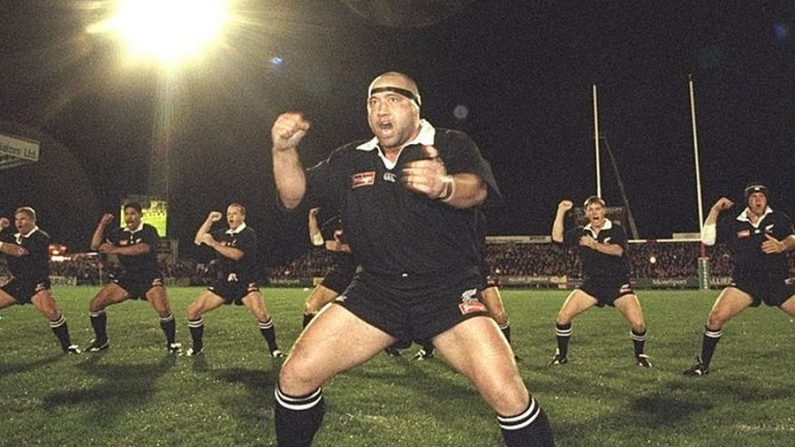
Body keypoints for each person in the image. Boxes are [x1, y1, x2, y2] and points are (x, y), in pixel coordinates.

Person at [270, 71, 553, 446]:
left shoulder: (448, 144)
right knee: (295, 377)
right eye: (373, 101)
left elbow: (478, 189)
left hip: (447, 292)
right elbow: (294, 196)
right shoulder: (352, 158)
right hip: (375, 290)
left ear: (417, 108)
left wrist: (444, 185)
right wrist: (283, 151)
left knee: (508, 394)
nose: (380, 109)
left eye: (393, 99)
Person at [684, 183, 795, 376]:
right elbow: (707, 240)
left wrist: (782, 246)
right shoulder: (734, 222)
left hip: (776, 281)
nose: (758, 199)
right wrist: (715, 209)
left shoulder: (778, 218)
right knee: (715, 317)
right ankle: (703, 365)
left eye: (761, 196)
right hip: (746, 282)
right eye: (753, 197)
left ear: (766, 199)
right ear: (748, 201)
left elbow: (793, 238)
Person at [550, 197, 651, 367]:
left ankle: (640, 355)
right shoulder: (581, 232)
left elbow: (618, 251)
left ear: (604, 212)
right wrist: (560, 211)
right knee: (563, 317)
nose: (594, 212)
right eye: (590, 209)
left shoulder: (616, 229)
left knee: (639, 324)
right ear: (586, 214)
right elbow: (557, 238)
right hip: (592, 285)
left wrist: (594, 245)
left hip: (618, 284)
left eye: (597, 208)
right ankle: (562, 356)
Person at [413, 211, 514, 361]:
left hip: (478, 269)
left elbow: (476, 246)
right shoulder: (439, 214)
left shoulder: (477, 216)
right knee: (436, 312)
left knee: (499, 314)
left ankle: (507, 353)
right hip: (450, 271)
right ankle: (428, 349)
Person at [185, 203, 284, 358]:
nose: (230, 216)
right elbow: (198, 239)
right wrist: (210, 220)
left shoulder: (248, 233)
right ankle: (198, 347)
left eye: (234, 213)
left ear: (243, 216)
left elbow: (237, 254)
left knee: (261, 314)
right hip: (224, 282)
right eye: (228, 213)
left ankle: (274, 349)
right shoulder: (223, 233)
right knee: (193, 311)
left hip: (245, 281)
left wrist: (213, 244)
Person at [86, 203, 181, 353]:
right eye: (127, 214)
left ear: (140, 215)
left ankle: (172, 344)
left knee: (163, 310)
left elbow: (143, 248)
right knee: (95, 304)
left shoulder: (149, 230)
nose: (129, 217)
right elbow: (95, 245)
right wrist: (102, 224)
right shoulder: (118, 233)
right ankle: (101, 341)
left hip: (149, 277)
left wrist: (115, 249)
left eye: (132, 213)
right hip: (128, 278)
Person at [0, 208, 80, 354]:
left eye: (23, 219)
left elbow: (20, 251)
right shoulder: (14, 236)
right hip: (18, 283)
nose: (19, 222)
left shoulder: (41, 237)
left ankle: (68, 346)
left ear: (32, 220)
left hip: (36, 283)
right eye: (17, 219)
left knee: (52, 313)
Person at [301, 207, 356, 328]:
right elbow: (317, 241)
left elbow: (374, 247)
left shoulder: (364, 220)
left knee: (364, 317)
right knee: (310, 306)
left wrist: (342, 247)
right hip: (341, 272)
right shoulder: (334, 222)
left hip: (363, 273)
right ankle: (311, 345)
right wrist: (312, 218)